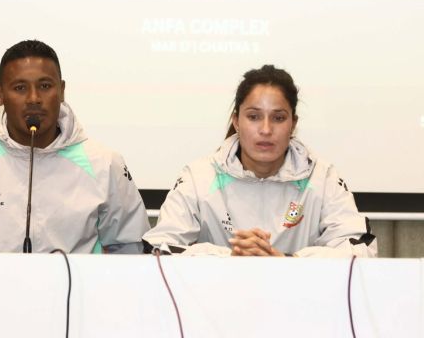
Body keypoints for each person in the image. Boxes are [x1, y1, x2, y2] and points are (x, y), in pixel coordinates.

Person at [0, 40, 150, 253]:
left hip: (77, 296)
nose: (33, 99)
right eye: (20, 88)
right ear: (0, 95)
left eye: (45, 86)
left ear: (62, 90)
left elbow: (132, 252)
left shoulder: (105, 165)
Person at [143, 65, 377, 257]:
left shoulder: (322, 177)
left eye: (278, 118)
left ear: (293, 124)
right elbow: (159, 247)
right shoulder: (199, 177)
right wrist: (230, 257)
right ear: (236, 121)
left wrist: (288, 260)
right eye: (254, 117)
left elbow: (361, 248)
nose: (266, 129)